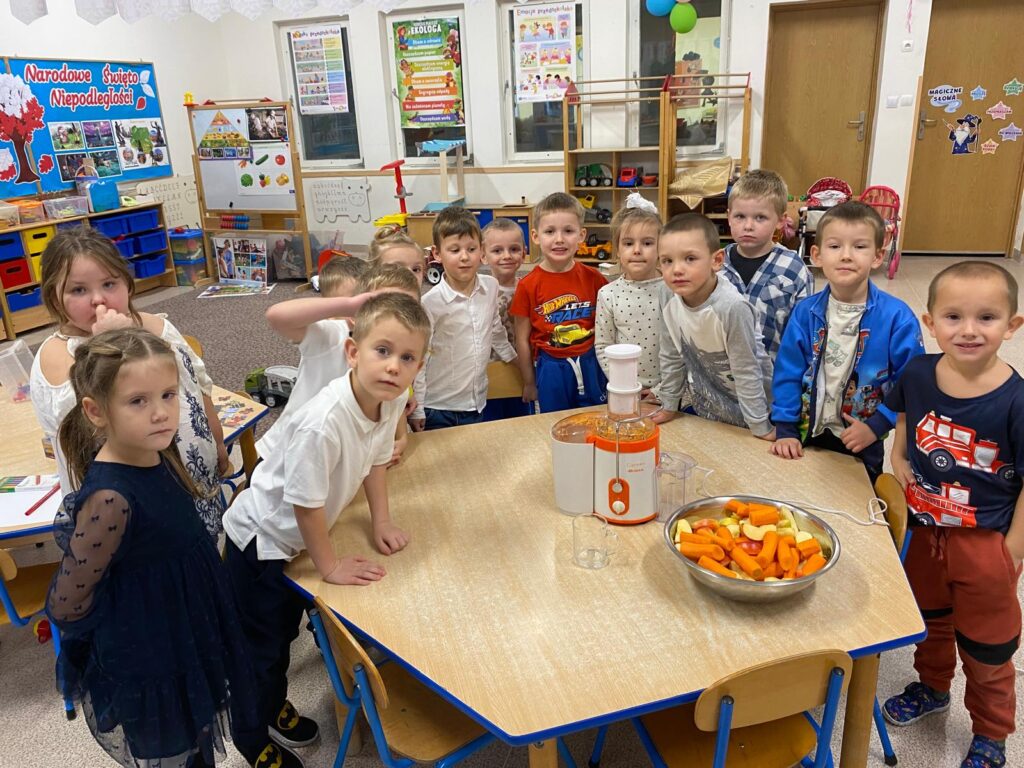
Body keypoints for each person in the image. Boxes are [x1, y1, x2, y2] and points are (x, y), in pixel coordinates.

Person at [223, 293, 429, 768]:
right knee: (261, 649)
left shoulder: (388, 400)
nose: (393, 366)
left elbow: (376, 462)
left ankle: (271, 704)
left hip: (297, 542)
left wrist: (381, 521)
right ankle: (252, 734)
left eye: (407, 357)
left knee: (284, 633)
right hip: (260, 543)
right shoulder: (325, 421)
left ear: (418, 367)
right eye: (382, 350)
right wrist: (330, 565)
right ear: (353, 352)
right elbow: (305, 504)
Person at [46, 328, 257, 768]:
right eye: (138, 401)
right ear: (96, 411)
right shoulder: (110, 500)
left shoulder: (157, 451)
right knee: (173, 752)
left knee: (197, 740)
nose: (161, 413)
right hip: (149, 650)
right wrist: (132, 616)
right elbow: (67, 603)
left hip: (187, 628)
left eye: (168, 395)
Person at [882, 261, 1023, 768]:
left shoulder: (1017, 400)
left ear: (1012, 326)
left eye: (986, 317)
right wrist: (899, 458)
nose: (968, 330)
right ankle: (933, 687)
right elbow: (905, 420)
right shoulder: (918, 373)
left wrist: (1010, 551)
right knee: (930, 619)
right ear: (930, 322)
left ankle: (992, 733)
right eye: (953, 316)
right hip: (925, 532)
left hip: (984, 542)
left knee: (988, 647)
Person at [30, 228, 228, 538]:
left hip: (193, 480)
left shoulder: (158, 326)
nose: (98, 299)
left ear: (126, 282)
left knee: (200, 551)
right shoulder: (56, 357)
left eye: (109, 284)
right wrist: (111, 341)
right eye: (78, 290)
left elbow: (196, 387)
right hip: (128, 505)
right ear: (54, 297)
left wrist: (217, 443)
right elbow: (90, 432)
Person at [770, 201, 924, 480]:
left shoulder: (897, 318)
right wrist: (785, 428)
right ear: (817, 255)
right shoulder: (805, 313)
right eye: (834, 246)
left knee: (858, 496)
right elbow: (788, 371)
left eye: (859, 246)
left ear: (877, 256)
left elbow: (911, 382)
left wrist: (878, 425)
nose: (846, 255)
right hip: (806, 432)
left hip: (863, 436)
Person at [651, 213, 774, 438]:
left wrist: (760, 426)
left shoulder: (732, 307)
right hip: (708, 409)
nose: (677, 269)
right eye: (667, 261)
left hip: (757, 412)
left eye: (690, 258)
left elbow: (746, 371)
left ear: (716, 261)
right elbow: (671, 354)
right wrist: (669, 404)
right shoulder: (667, 294)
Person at [256, 256, 373, 461]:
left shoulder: (374, 343)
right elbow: (277, 316)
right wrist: (347, 305)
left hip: (326, 449)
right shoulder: (330, 335)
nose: (357, 313)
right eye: (347, 308)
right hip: (284, 455)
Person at [411, 208, 517, 431]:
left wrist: (513, 359)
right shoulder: (430, 303)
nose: (464, 257)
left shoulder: (491, 286)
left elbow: (495, 328)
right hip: (438, 407)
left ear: (481, 250)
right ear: (437, 254)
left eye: (471, 249)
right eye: (454, 250)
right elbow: (420, 358)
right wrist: (418, 408)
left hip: (476, 403)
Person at [510, 192, 608, 412]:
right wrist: (529, 382)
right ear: (535, 236)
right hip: (551, 366)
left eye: (568, 231)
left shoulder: (595, 278)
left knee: (596, 417)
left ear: (582, 235)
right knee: (555, 421)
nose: (559, 239)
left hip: (591, 361)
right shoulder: (527, 285)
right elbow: (522, 339)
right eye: (550, 231)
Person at [720, 169, 812, 357]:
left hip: (774, 370)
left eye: (760, 217)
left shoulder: (795, 269)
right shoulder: (716, 264)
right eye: (740, 216)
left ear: (780, 221)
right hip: (720, 370)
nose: (748, 226)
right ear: (729, 217)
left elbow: (804, 332)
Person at [594, 195, 664, 392]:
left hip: (668, 389)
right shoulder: (608, 294)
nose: (637, 250)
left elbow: (684, 348)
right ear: (617, 249)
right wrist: (624, 385)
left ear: (661, 247)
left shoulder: (674, 291)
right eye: (628, 243)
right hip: (624, 388)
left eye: (647, 243)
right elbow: (603, 346)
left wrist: (664, 390)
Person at [481, 217, 531, 420]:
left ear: (524, 253)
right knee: (490, 423)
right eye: (497, 250)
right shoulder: (481, 291)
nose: (507, 256)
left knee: (521, 420)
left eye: (514, 249)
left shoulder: (528, 288)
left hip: (522, 371)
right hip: (490, 372)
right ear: (483, 256)